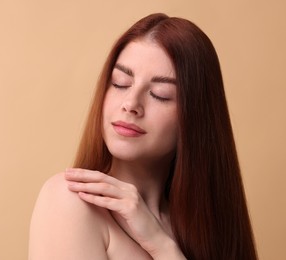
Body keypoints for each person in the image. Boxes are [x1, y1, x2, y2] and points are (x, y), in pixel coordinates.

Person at [28, 13, 258, 259]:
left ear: (195, 119)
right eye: (120, 82)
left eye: (160, 94)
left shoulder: (208, 227)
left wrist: (163, 245)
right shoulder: (71, 202)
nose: (131, 103)